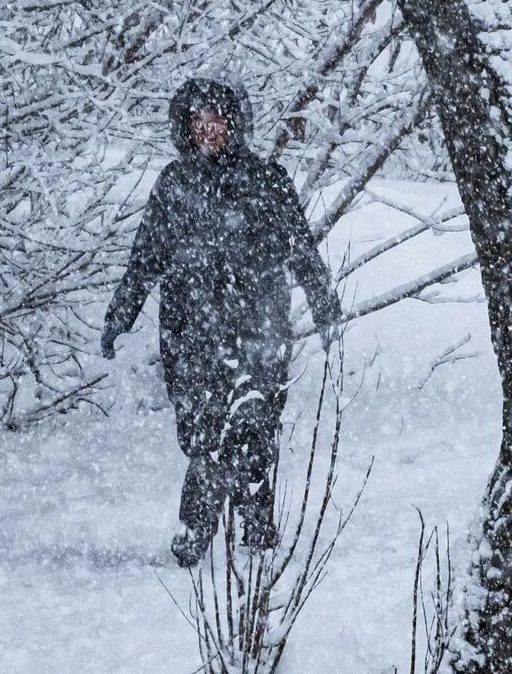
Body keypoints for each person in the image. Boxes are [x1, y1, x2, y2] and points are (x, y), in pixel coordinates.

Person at [102, 77, 342, 568]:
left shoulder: (268, 182)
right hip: (191, 334)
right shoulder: (174, 184)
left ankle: (204, 534)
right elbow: (145, 257)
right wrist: (120, 316)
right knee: (201, 431)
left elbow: (301, 249)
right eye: (198, 121)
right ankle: (255, 529)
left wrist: (325, 308)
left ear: (234, 124)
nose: (208, 130)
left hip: (259, 330)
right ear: (185, 128)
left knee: (245, 426)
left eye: (216, 120)